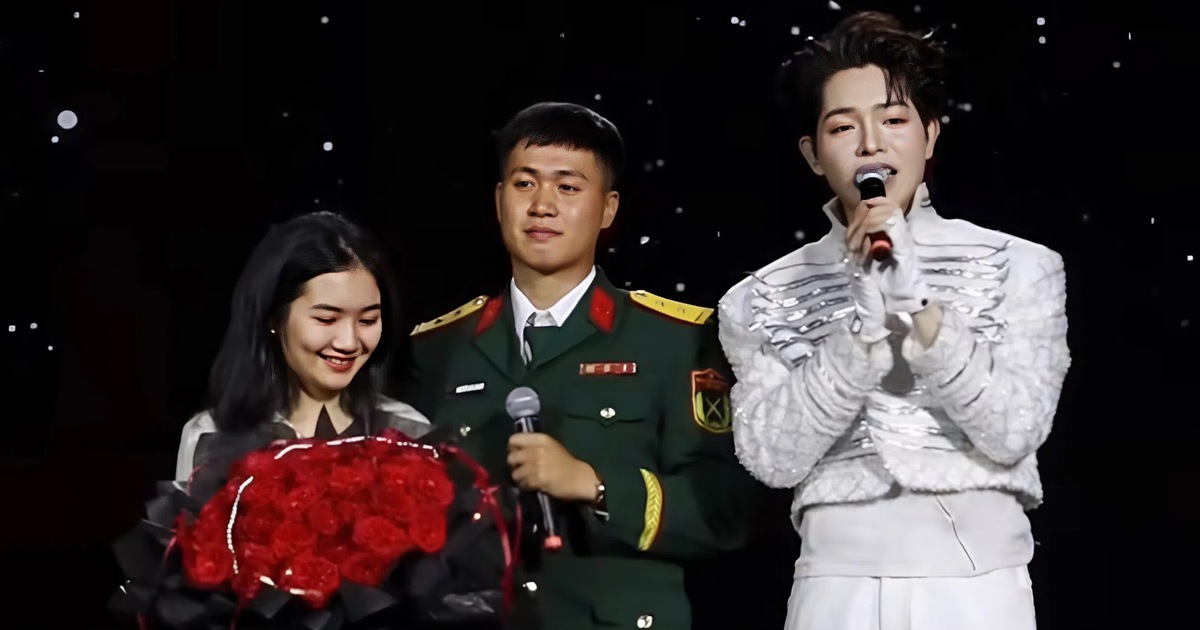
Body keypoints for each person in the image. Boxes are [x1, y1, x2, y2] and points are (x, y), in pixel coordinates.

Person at [717, 11, 1071, 630]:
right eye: (842, 127)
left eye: (894, 120)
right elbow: (772, 458)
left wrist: (920, 306)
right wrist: (861, 332)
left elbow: (1015, 430)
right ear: (813, 154)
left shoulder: (1020, 265)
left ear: (930, 136)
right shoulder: (758, 296)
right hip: (836, 588)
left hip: (977, 587)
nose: (871, 144)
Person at [404, 102, 760, 630]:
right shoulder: (435, 347)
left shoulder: (678, 340)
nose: (542, 205)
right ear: (499, 200)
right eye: (524, 184)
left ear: (608, 208)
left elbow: (725, 513)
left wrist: (595, 484)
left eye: (568, 187)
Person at [175, 210, 429, 485]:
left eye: (367, 320)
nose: (349, 343)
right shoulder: (212, 437)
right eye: (326, 319)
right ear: (274, 319)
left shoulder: (408, 433)